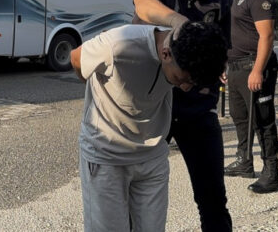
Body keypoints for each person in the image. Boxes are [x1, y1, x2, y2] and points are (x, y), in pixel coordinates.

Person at [70, 21, 228, 232]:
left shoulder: (188, 48)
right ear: (166, 54)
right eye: (181, 79)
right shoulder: (118, 45)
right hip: (106, 155)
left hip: (152, 155)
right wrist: (99, 93)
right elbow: (76, 58)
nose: (185, 87)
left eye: (193, 83)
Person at [132, 0, 233, 231]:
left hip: (197, 111)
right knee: (136, 197)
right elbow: (143, 4)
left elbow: (225, 46)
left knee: (213, 198)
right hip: (148, 111)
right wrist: (179, 23)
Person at [222, 0, 278, 194]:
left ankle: (271, 173)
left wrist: (257, 70)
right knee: (240, 118)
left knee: (262, 121)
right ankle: (244, 160)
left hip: (253, 67)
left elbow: (267, 36)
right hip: (236, 66)